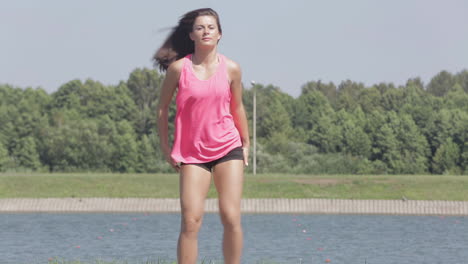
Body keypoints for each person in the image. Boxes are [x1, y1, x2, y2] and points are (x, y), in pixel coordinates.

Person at [153, 8, 250, 264]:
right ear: (192, 35)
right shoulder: (178, 69)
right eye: (200, 27)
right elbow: (162, 109)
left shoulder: (231, 69)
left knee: (230, 216)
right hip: (192, 153)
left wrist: (246, 142)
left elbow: (237, 107)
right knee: (191, 221)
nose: (206, 31)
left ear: (219, 34)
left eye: (211, 27)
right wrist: (166, 147)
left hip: (228, 147)